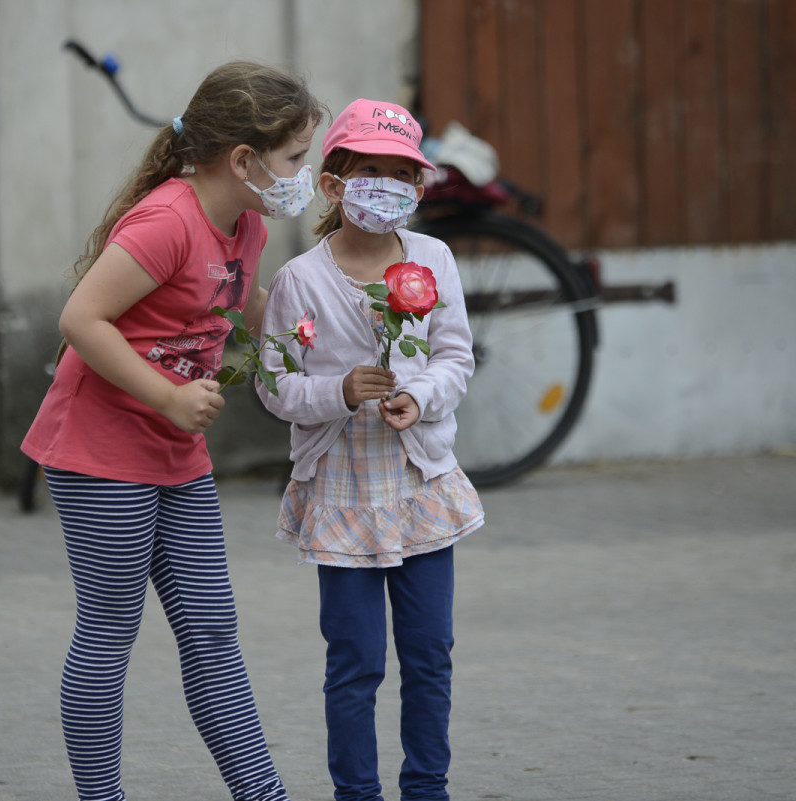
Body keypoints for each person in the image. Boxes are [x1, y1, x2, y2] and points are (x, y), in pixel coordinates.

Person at [21, 61, 325, 801]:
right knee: (109, 632)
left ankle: (264, 794)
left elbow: (241, 301)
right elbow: (79, 320)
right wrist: (166, 395)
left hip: (174, 452)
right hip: (98, 452)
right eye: (293, 160)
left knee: (214, 633)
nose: (302, 175)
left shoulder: (246, 222)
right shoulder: (166, 221)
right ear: (244, 160)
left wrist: (319, 329)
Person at [255, 98, 485, 801]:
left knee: (429, 655)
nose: (388, 186)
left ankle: (427, 787)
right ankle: (356, 792)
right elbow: (274, 384)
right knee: (354, 661)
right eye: (371, 171)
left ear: (419, 188)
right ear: (333, 183)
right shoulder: (300, 279)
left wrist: (421, 396)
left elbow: (455, 356)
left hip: (419, 487)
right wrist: (341, 391)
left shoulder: (433, 259)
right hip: (342, 494)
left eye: (402, 174)